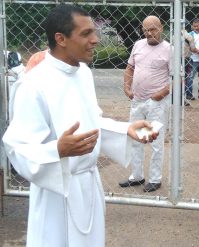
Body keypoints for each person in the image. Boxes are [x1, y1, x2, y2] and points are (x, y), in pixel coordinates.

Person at [2, 5, 158, 247]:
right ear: (60, 39)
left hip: (88, 186)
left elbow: (90, 124)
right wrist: (57, 150)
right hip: (56, 192)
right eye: (86, 34)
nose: (95, 40)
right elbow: (16, 147)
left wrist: (124, 129)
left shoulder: (83, 73)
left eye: (94, 32)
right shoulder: (33, 84)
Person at [119, 15, 171, 193]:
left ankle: (155, 179)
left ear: (161, 28)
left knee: (155, 142)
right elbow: (130, 68)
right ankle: (137, 176)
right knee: (137, 139)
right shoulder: (138, 45)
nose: (149, 33)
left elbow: (177, 78)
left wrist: (160, 94)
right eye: (145, 30)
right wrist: (127, 87)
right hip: (138, 101)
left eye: (152, 29)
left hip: (156, 104)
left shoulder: (169, 49)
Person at [181, 28, 195, 106]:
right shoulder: (189, 36)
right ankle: (182, 99)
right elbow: (193, 48)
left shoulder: (173, 35)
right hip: (185, 59)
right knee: (185, 79)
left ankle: (175, 98)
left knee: (174, 78)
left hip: (175, 59)